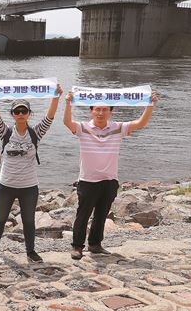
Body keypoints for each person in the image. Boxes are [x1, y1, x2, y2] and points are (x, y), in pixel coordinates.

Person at [63, 90, 159, 260]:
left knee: (101, 214)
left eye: (104, 110)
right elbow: (67, 122)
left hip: (109, 180)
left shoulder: (117, 128)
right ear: (91, 111)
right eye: (97, 110)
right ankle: (77, 246)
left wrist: (150, 105)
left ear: (110, 112)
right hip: (88, 180)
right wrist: (68, 104)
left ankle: (95, 244)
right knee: (83, 214)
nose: (100, 113)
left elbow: (141, 123)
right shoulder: (83, 128)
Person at [0, 84, 63, 263]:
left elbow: (50, 117)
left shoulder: (36, 133)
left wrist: (56, 97)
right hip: (6, 185)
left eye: (24, 111)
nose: (21, 114)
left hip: (29, 186)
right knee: (0, 218)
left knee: (29, 220)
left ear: (29, 113)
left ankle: (30, 251)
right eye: (17, 111)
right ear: (12, 115)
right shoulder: (5, 132)